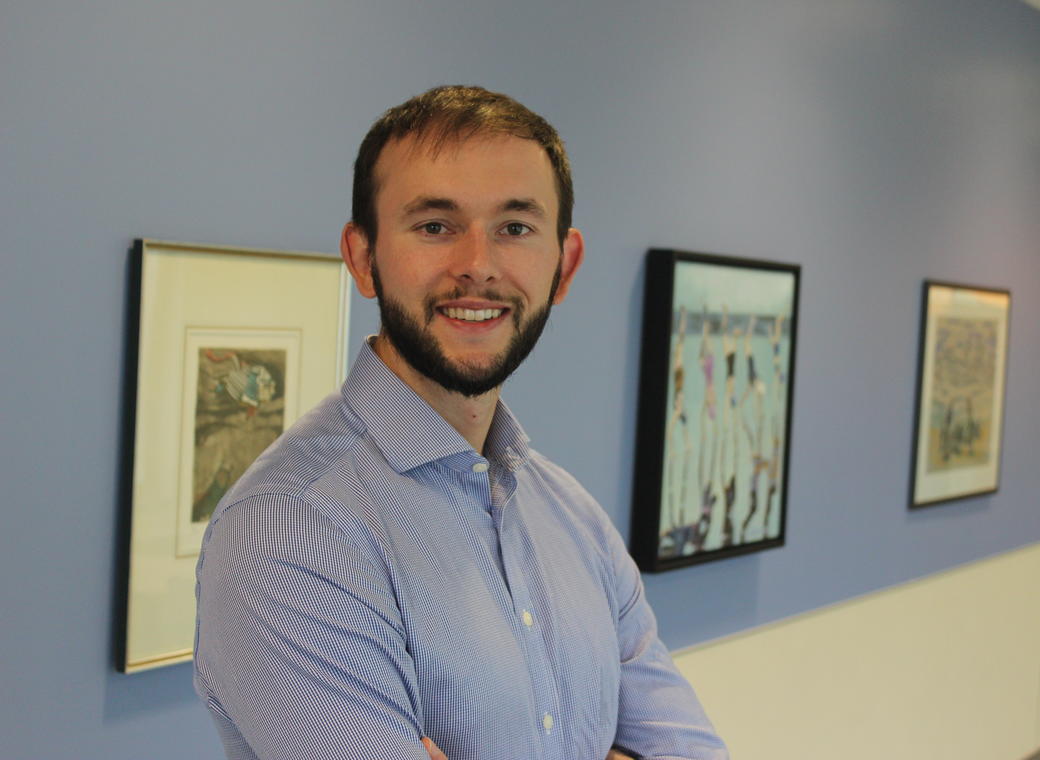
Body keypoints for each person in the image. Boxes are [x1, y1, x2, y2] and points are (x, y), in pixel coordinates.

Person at [193, 85, 728, 760]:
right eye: (435, 226)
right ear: (362, 258)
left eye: (514, 228)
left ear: (564, 265)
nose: (477, 264)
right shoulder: (289, 531)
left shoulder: (573, 518)